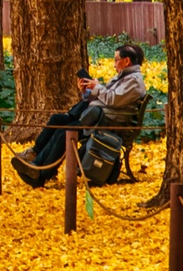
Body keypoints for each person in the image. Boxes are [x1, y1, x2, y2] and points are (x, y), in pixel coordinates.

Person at [12, 43, 147, 187]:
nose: (114, 64)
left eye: (116, 60)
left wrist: (97, 87)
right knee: (58, 121)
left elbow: (113, 99)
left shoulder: (133, 81)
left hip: (106, 123)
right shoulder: (123, 77)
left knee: (65, 134)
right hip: (98, 117)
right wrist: (87, 91)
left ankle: (41, 174)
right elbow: (105, 98)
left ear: (126, 61)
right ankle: (36, 158)